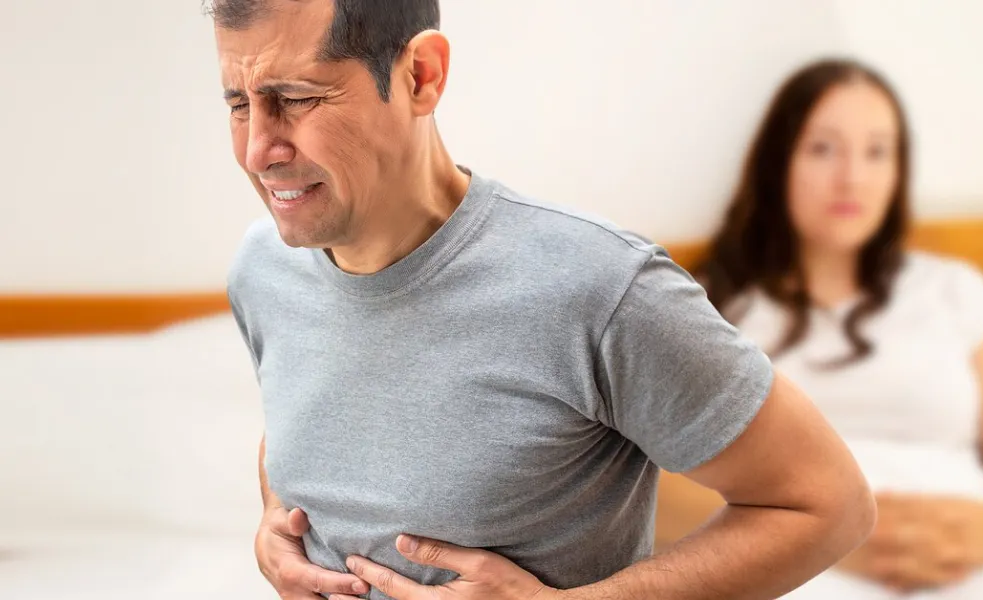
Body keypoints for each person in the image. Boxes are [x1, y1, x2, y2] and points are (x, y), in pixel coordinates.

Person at [208, 1, 876, 599]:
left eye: (296, 99)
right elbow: (310, 425)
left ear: (421, 76)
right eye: (238, 104)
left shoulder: (601, 289)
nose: (258, 150)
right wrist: (275, 518)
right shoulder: (264, 269)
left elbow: (828, 507)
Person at [696, 58, 983, 599]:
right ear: (778, 162)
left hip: (964, 569)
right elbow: (656, 486)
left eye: (877, 151)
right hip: (796, 572)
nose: (852, 176)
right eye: (823, 149)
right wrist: (824, 533)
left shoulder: (955, 292)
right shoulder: (710, 306)